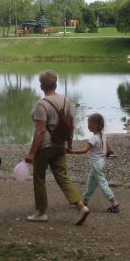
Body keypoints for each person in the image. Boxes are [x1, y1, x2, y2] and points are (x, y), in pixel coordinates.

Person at [24, 70, 90, 225]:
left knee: (39, 178)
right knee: (62, 177)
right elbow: (71, 124)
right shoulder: (66, 101)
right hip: (60, 144)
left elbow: (40, 130)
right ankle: (81, 207)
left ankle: (41, 213)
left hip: (45, 146)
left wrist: (32, 153)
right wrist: (69, 143)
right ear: (55, 84)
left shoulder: (42, 104)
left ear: (41, 86)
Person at [68, 112, 120, 213]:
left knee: (103, 183)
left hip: (96, 164)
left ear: (95, 125)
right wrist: (110, 152)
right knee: (91, 182)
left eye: (89, 124)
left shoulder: (93, 138)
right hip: (101, 162)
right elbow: (107, 145)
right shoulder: (102, 135)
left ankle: (114, 203)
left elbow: (84, 150)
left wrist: (71, 151)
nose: (87, 126)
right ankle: (85, 201)